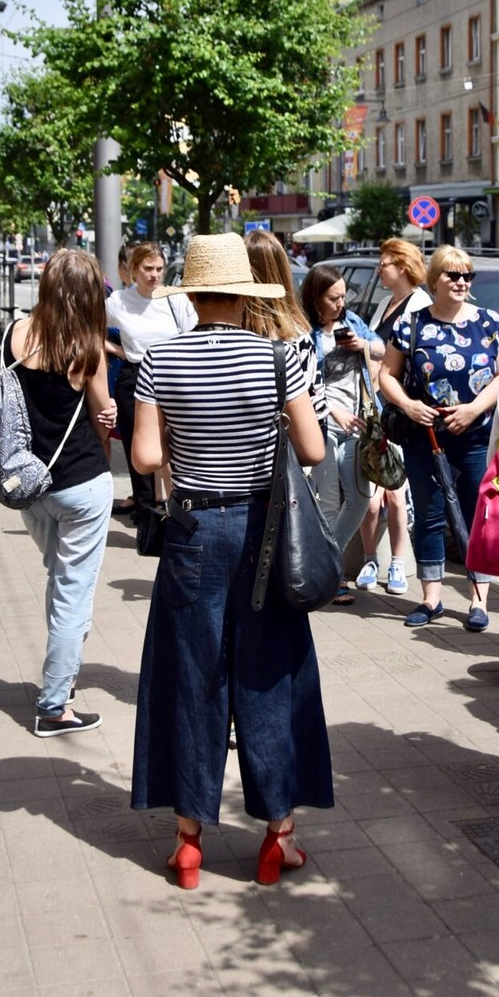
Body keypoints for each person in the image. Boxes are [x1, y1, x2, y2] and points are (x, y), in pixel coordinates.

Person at [128, 233, 332, 888]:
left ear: (191, 295)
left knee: (192, 677)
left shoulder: (161, 359)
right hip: (264, 530)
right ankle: (277, 837)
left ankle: (189, 842)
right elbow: (313, 450)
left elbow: (146, 459)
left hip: (192, 529)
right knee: (270, 675)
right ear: (245, 297)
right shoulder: (278, 359)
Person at [1, 250, 120, 737]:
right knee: (74, 593)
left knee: (59, 580)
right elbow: (101, 416)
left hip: (31, 485)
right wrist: (108, 415)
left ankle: (62, 681)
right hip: (81, 485)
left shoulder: (15, 334)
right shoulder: (87, 348)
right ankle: (54, 706)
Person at [377, 243, 499, 632]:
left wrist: (475, 409)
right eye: (452, 275)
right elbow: (387, 375)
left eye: (467, 275)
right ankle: (431, 597)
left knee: (476, 515)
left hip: (473, 435)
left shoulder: (489, 322)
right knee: (430, 514)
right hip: (426, 436)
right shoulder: (413, 323)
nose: (461, 282)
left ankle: (478, 599)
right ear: (434, 279)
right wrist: (407, 405)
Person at [301, 264, 381, 604]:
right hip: (323, 426)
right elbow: (303, 386)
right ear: (316, 299)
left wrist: (360, 343)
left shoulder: (353, 323)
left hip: (358, 424)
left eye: (343, 296)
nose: (340, 303)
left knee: (361, 498)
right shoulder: (304, 332)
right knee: (330, 502)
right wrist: (334, 411)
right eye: (333, 298)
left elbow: (382, 350)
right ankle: (332, 579)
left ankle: (320, 566)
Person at [355, 238, 431, 597]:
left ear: (401, 266)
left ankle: (398, 563)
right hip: (376, 410)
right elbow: (375, 348)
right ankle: (371, 559)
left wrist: (367, 349)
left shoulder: (420, 304)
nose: (379, 268)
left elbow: (399, 356)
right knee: (370, 496)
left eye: (384, 263)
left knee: (396, 494)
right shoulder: (387, 303)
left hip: (400, 412)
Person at [106, 244, 196, 522]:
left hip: (173, 376)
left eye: (159, 269)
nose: (155, 275)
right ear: (133, 270)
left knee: (179, 442)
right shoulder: (118, 301)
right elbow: (90, 331)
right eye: (148, 269)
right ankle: (146, 514)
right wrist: (120, 351)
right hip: (134, 375)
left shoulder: (175, 299)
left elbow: (192, 336)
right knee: (139, 446)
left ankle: (179, 508)